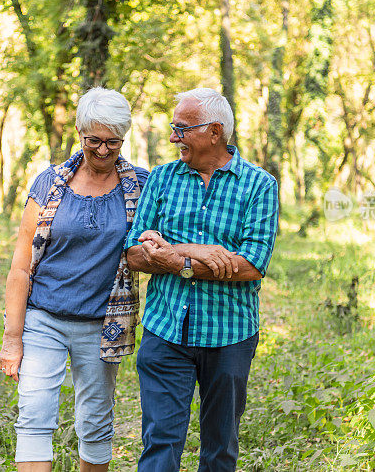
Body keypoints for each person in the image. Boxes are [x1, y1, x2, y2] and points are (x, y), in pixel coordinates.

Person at [124, 87, 279, 472]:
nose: (174, 137)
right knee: (159, 443)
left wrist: (173, 254)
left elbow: (251, 264)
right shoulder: (160, 180)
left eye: (182, 128)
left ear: (215, 132)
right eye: (174, 128)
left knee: (220, 449)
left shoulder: (260, 185)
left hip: (230, 335)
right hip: (165, 332)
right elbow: (134, 252)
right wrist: (196, 253)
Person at [0, 87, 149, 472]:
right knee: (34, 413)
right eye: (93, 140)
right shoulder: (49, 184)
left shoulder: (141, 187)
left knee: (97, 423)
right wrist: (12, 338)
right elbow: (21, 266)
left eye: (112, 142)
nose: (102, 149)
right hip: (44, 318)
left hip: (102, 325)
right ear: (80, 133)